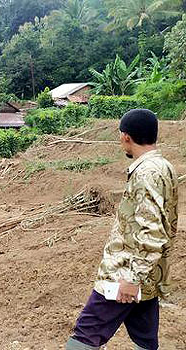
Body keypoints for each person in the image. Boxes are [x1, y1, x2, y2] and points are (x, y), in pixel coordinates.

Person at [65, 109, 179, 350]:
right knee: (145, 340)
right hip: (149, 274)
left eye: (120, 136)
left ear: (126, 137)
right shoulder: (164, 166)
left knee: (85, 335)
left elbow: (153, 230)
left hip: (125, 274)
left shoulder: (146, 173)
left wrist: (132, 279)